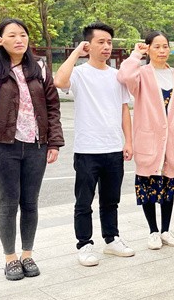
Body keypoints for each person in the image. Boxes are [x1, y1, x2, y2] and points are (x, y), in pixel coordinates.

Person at [0, 18, 64, 281]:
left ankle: (27, 254)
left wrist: (54, 142)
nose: (19, 40)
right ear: (1, 39)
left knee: (30, 202)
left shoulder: (39, 67)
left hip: (36, 145)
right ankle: (10, 258)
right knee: (8, 203)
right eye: (11, 35)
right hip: (2, 144)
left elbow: (52, 107)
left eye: (23, 34)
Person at [54, 22, 134, 266]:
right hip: (87, 150)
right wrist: (77, 52)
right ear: (89, 45)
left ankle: (111, 239)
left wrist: (128, 141)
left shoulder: (116, 76)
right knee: (84, 202)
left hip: (113, 148)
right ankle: (84, 244)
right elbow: (59, 81)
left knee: (111, 200)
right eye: (101, 42)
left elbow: (124, 110)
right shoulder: (80, 73)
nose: (107, 46)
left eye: (109, 42)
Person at [118, 31, 174, 249]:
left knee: (168, 187)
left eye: (165, 46)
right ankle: (153, 231)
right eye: (157, 46)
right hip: (149, 141)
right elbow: (124, 76)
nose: (162, 51)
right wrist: (136, 55)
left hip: (173, 142)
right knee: (149, 188)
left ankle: (166, 230)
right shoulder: (142, 74)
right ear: (149, 48)